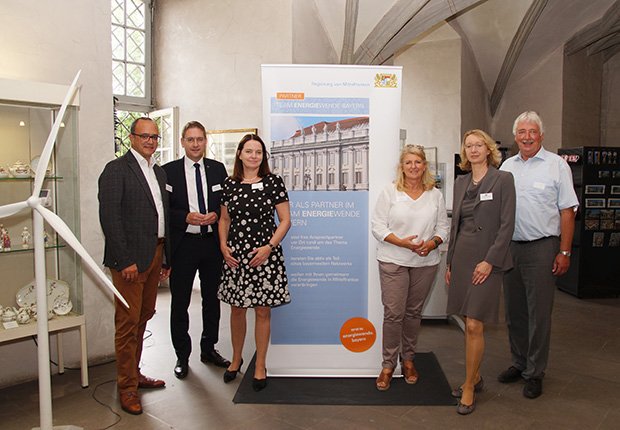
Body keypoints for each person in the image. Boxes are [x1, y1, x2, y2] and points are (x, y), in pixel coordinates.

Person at [498, 111, 578, 399]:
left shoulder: (557, 166)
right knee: (514, 312)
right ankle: (519, 363)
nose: (527, 137)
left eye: (532, 132)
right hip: (511, 248)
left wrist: (564, 251)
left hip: (543, 247)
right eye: (522, 132)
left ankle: (534, 372)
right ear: (516, 136)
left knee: (539, 314)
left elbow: (567, 211)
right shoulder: (507, 166)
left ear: (541, 135)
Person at [98, 117, 171, 415]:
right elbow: (110, 218)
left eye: (154, 137)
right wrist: (123, 259)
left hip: (155, 255)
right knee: (127, 323)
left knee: (144, 317)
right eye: (145, 136)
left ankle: (135, 374)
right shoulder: (116, 170)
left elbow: (161, 216)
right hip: (130, 260)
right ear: (131, 138)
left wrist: (164, 258)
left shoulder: (159, 172)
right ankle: (126, 387)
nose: (150, 142)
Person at [445, 130, 516, 415]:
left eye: (479, 145)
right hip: (462, 256)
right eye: (468, 146)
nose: (473, 150)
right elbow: (456, 225)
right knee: (466, 319)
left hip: (488, 259)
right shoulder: (461, 182)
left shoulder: (503, 180)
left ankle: (470, 386)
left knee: (474, 324)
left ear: (489, 150)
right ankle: (475, 375)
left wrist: (490, 261)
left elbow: (507, 224)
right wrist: (449, 262)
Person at [371, 144, 449, 391]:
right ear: (402, 167)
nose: (413, 166)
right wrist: (402, 243)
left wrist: (431, 243)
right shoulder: (390, 192)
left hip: (425, 263)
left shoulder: (434, 194)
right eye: (408, 162)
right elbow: (378, 227)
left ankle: (408, 360)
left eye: (418, 162)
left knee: (413, 313)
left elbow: (443, 229)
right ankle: (387, 365)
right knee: (394, 314)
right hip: (393, 260)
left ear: (424, 166)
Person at [218, 134, 291, 392]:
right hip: (236, 256)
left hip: (264, 255)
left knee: (262, 310)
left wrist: (269, 247)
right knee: (237, 309)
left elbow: (285, 221)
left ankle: (260, 365)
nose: (253, 156)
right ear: (239, 154)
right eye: (248, 151)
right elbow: (224, 220)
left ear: (263, 156)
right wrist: (223, 246)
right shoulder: (228, 184)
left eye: (258, 152)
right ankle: (236, 359)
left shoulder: (273, 182)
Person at [162, 121, 230, 379]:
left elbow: (226, 204)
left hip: (212, 244)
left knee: (212, 300)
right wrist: (185, 218)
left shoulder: (217, 169)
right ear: (182, 142)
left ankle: (208, 348)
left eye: (200, 139)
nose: (195, 144)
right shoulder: (168, 171)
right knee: (180, 303)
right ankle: (182, 355)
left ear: (205, 141)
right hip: (184, 246)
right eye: (190, 139)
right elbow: (164, 209)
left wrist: (216, 214)